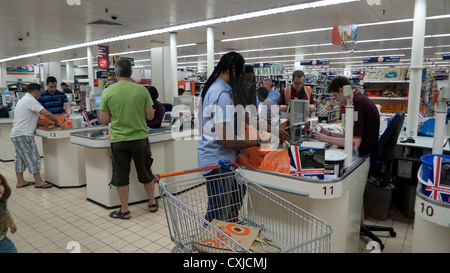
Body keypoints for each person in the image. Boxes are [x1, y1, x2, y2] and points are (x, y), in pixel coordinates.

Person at [198, 52, 289, 222]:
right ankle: (208, 244)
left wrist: (273, 130)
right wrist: (256, 141)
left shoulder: (215, 89)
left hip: (218, 161)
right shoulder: (221, 94)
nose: (242, 81)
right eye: (240, 75)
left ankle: (210, 242)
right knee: (218, 214)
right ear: (233, 69)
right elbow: (226, 140)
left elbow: (246, 119)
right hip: (219, 163)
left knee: (218, 210)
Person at [99, 59, 157, 220]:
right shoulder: (142, 90)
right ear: (131, 73)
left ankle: (125, 209)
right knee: (146, 172)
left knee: (121, 176)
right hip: (140, 139)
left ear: (116, 74)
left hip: (119, 140)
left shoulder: (108, 92)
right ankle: (152, 202)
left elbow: (103, 120)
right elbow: (150, 116)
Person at [314, 76, 380, 163]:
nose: (336, 100)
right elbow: (350, 136)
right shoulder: (359, 99)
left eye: (335, 96)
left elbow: (354, 143)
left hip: (362, 155)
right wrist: (328, 133)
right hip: (367, 151)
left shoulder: (356, 104)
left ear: (341, 90)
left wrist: (326, 138)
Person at [10, 83, 63, 189]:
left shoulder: (23, 100)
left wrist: (47, 124)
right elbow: (46, 113)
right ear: (35, 91)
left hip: (17, 134)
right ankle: (39, 181)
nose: (40, 94)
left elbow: (34, 119)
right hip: (24, 135)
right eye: (40, 92)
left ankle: (20, 181)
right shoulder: (30, 100)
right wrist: (57, 121)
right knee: (33, 157)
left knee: (20, 159)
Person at [0, 174, 17, 253]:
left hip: (2, 231)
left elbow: (5, 210)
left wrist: (12, 223)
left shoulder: (3, 199)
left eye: (0, 184)